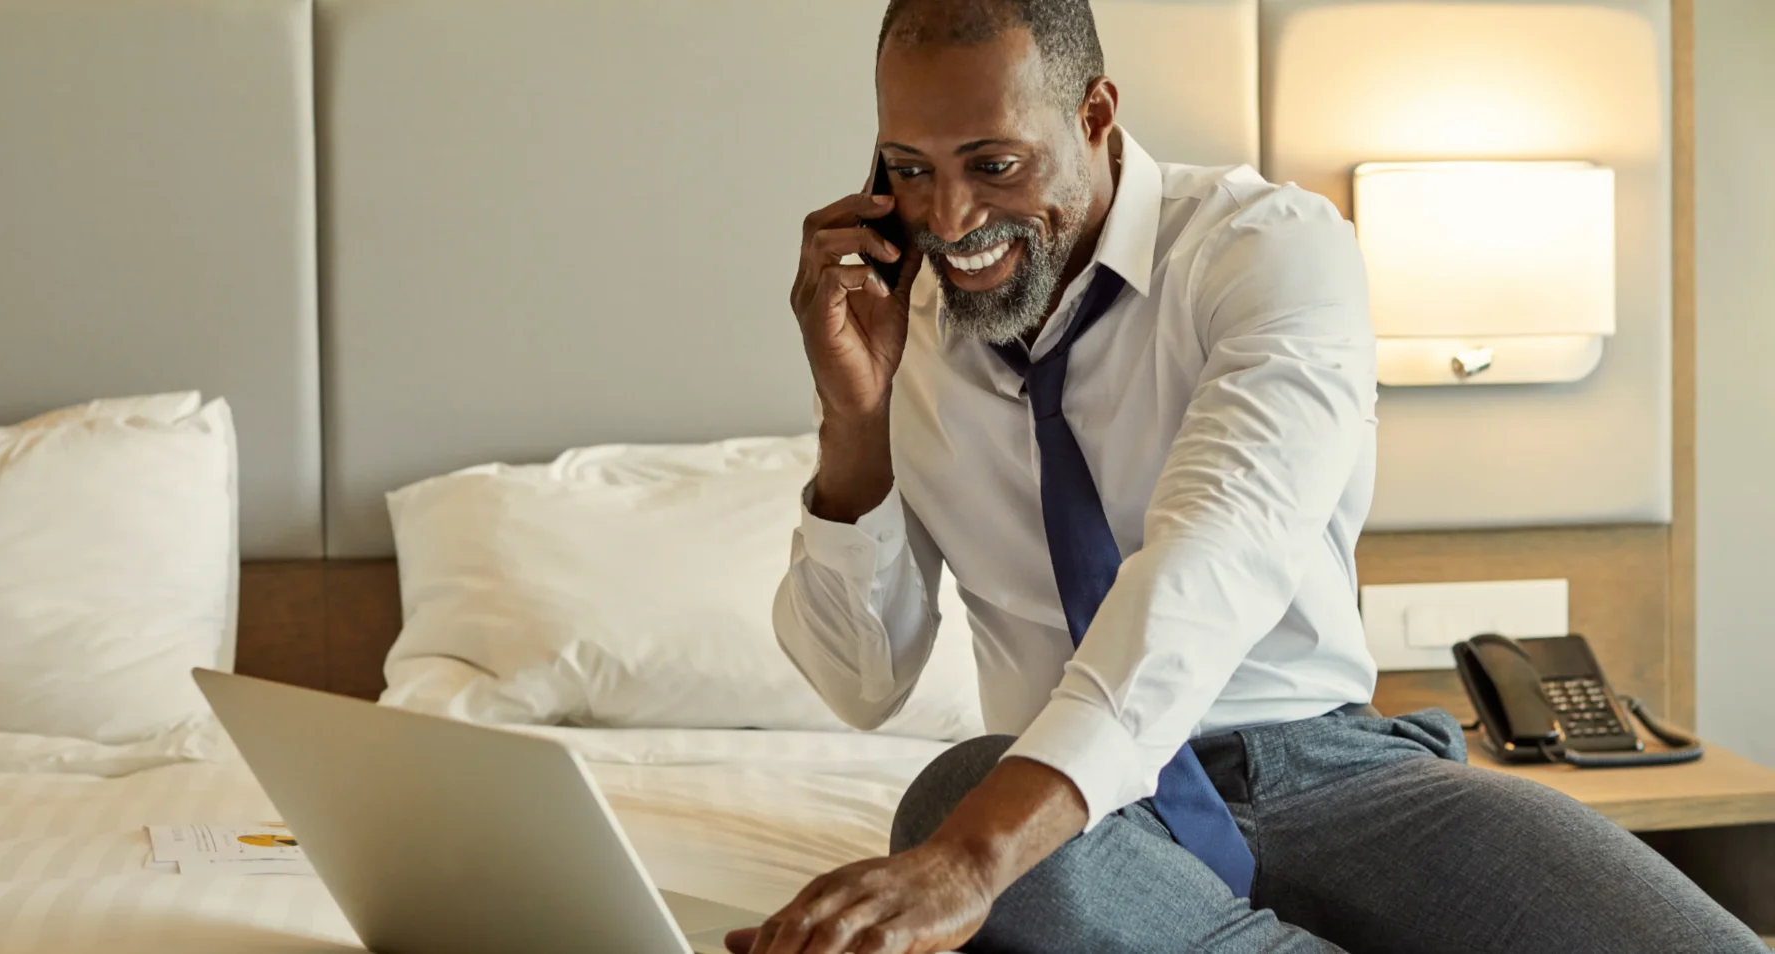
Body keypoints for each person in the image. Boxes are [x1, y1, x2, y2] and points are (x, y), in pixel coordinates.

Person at [744, 1, 1764, 952]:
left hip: (1336, 782)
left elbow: (1210, 564)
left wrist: (973, 857)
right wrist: (855, 418)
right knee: (952, 788)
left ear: (1093, 115)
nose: (951, 216)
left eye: (994, 164)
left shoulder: (1267, 251)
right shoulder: (903, 324)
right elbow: (862, 685)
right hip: (1083, 829)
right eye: (909, 169)